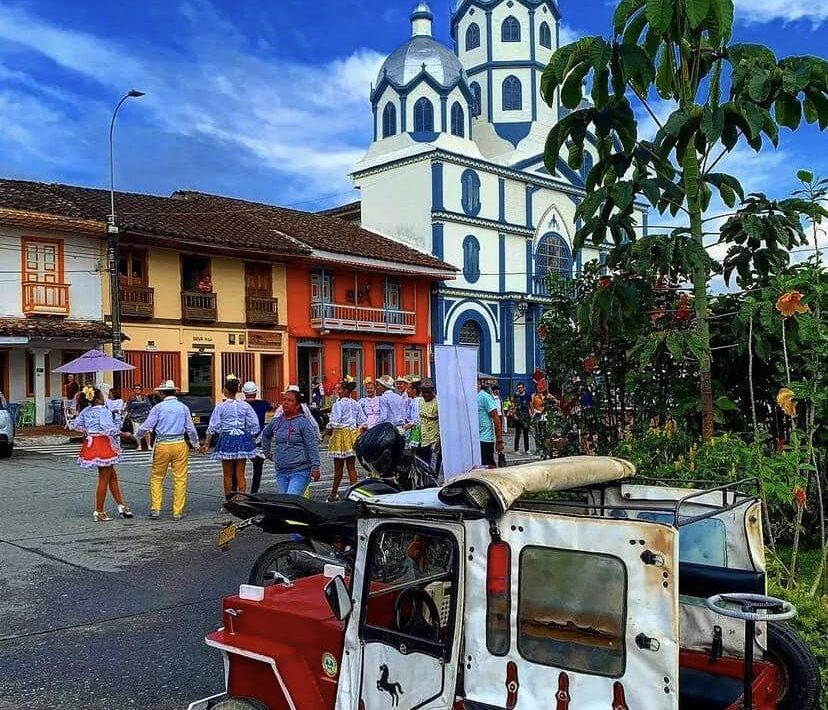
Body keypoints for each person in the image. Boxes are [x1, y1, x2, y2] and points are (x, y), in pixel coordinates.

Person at [133, 380, 200, 520]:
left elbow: (147, 425)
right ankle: (177, 511)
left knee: (157, 477)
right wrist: (196, 444)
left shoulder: (158, 407)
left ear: (162, 393)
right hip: (180, 443)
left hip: (163, 444)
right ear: (174, 392)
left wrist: (137, 436)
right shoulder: (183, 407)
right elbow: (190, 428)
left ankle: (156, 508)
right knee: (180, 478)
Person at [70, 385, 133, 522]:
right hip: (102, 443)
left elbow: (75, 424)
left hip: (93, 442)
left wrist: (88, 430)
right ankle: (99, 510)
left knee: (112, 476)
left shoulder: (87, 410)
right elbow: (107, 428)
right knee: (104, 479)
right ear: (98, 399)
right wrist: (123, 433)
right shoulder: (103, 411)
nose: (105, 398)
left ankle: (121, 505)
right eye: (102, 396)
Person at [200, 376, 260, 508]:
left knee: (227, 474)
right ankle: (242, 499)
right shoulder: (245, 406)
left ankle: (229, 501)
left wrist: (206, 443)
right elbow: (254, 425)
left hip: (227, 438)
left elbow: (213, 426)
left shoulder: (221, 407)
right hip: (242, 438)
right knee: (240, 473)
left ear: (226, 390)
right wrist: (248, 437)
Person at [261, 388, 321, 498]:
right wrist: (267, 452)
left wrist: (315, 467)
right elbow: (265, 434)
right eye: (284, 399)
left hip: (300, 471)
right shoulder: (277, 421)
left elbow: (312, 445)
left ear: (297, 405)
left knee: (290, 500)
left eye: (290, 400)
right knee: (285, 505)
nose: (286, 402)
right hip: (281, 471)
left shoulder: (303, 422)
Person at [325, 379, 364, 501]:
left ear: (346, 390)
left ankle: (333, 494)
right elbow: (363, 419)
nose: (337, 391)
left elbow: (335, 422)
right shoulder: (355, 403)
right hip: (352, 434)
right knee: (351, 467)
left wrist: (327, 428)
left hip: (341, 435)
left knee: (338, 468)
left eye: (339, 389)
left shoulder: (339, 404)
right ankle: (355, 494)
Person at [242, 381, 271, 495]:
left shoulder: (241, 404)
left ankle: (238, 491)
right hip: (259, 438)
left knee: (239, 468)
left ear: (244, 392)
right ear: (256, 391)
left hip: (243, 438)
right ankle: (254, 491)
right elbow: (272, 407)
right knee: (258, 469)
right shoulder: (263, 404)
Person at [416, 378, 440, 474]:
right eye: (423, 392)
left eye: (427, 392)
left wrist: (439, 441)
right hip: (422, 439)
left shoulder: (438, 402)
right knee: (422, 467)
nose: (425, 395)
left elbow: (442, 425)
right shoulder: (420, 401)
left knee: (432, 470)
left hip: (434, 441)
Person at [478, 381, 503, 468]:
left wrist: (499, 441)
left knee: (488, 467)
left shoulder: (485, 396)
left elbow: (496, 418)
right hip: (474, 440)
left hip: (485, 439)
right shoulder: (470, 398)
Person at [125, 383, 153, 451]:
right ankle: (139, 445)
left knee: (147, 431)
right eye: (136, 389)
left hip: (145, 417)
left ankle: (149, 445)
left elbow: (149, 406)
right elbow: (128, 407)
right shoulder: (131, 398)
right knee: (137, 432)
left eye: (139, 389)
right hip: (135, 418)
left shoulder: (145, 398)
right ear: (134, 390)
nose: (137, 390)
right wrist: (129, 414)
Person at [511, 383, 532, 454]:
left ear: (524, 388)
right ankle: (516, 449)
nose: (520, 389)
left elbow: (530, 406)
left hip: (526, 418)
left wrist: (531, 415)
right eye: (518, 388)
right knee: (517, 434)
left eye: (521, 387)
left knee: (526, 434)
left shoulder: (528, 396)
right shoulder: (516, 396)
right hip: (518, 417)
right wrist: (514, 415)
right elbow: (513, 406)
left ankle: (527, 449)